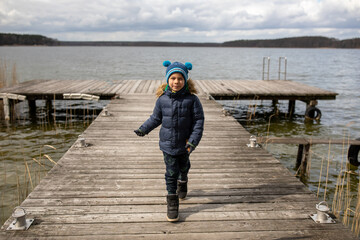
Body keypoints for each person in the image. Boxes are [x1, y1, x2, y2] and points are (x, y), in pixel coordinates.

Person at [134, 60, 204, 222]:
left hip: (186, 144)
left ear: (185, 80)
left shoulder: (193, 100)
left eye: (180, 78)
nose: (176, 82)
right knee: (171, 172)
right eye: (173, 78)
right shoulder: (161, 99)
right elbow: (155, 118)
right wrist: (143, 129)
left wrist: (193, 141)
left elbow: (199, 121)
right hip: (167, 145)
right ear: (167, 80)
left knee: (184, 167)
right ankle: (172, 201)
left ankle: (183, 181)